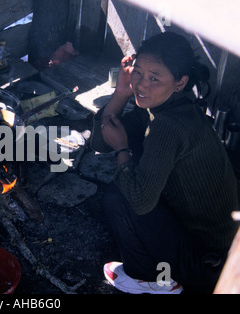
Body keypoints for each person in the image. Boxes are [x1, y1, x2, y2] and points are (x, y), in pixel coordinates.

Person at [91, 32, 238, 294]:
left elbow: (139, 201)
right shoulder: (164, 105)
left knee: (119, 197)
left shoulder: (167, 125)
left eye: (154, 78)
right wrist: (121, 93)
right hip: (207, 244)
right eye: (137, 73)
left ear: (180, 82)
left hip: (209, 263)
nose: (141, 85)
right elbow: (100, 142)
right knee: (128, 185)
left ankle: (151, 280)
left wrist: (122, 148)